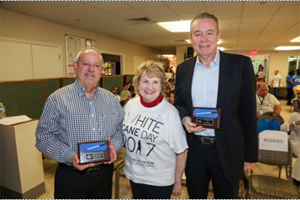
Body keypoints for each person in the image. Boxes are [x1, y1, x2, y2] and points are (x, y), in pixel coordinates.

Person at [174, 12, 258, 199]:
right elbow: (179, 103)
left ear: (218, 36)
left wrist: (250, 156)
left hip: (228, 149)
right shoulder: (183, 69)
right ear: (190, 38)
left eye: (209, 33)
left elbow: (249, 113)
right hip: (194, 149)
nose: (203, 39)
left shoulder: (240, 65)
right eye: (198, 34)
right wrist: (184, 117)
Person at [35, 47, 125, 199]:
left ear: (102, 70)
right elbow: (44, 137)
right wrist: (70, 155)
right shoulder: (57, 99)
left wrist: (113, 146)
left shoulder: (110, 99)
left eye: (96, 65)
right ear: (75, 67)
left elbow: (121, 129)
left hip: (103, 174)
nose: (91, 69)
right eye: (86, 64)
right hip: (71, 177)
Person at [122, 60, 188, 199]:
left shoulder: (170, 113)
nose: (149, 87)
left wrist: (177, 181)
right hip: (134, 175)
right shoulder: (131, 105)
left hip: (159, 181)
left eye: (155, 82)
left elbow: (181, 151)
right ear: (137, 84)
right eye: (145, 81)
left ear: (162, 85)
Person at [280, 99, 300, 187]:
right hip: (295, 142)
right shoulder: (295, 116)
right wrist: (296, 123)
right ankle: (295, 178)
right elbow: (282, 128)